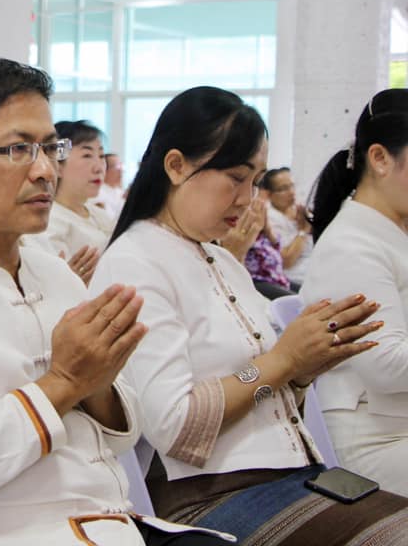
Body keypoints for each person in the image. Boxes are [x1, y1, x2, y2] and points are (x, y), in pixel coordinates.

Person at [0, 58, 234, 546]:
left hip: (115, 522)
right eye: (16, 149)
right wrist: (64, 382)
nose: (43, 170)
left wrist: (97, 381)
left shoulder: (54, 271)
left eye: (49, 148)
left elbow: (120, 437)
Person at [90, 85, 408, 544]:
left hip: (290, 476)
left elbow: (267, 392)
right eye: (236, 178)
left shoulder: (218, 260)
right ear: (176, 166)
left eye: (256, 180)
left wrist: (304, 367)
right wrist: (283, 363)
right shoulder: (135, 262)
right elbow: (176, 426)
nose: (248, 198)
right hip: (205, 497)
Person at [302, 88, 408, 496]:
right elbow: (386, 365)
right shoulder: (353, 243)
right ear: (380, 158)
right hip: (375, 442)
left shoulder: (390, 230)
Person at [29, 120, 113, 285]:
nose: (99, 167)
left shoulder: (99, 214)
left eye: (102, 156)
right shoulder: (49, 222)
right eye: (87, 155)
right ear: (57, 165)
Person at [261, 167, 312, 289]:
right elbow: (287, 261)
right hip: (295, 277)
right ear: (269, 194)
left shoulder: (299, 210)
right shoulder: (270, 218)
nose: (292, 192)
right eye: (284, 189)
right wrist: (303, 231)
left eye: (292, 186)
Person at [95, 152, 125, 219]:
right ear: (104, 170)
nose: (121, 170)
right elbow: (108, 221)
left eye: (121, 165)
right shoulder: (97, 193)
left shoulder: (120, 192)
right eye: (117, 166)